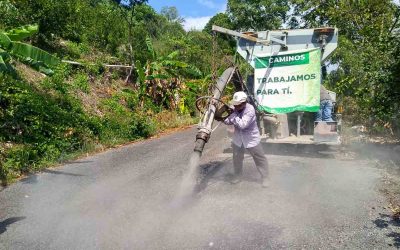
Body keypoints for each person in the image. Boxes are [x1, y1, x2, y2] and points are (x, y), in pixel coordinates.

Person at [221, 91, 270, 187]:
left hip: (251, 138)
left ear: (244, 103)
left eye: (238, 105)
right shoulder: (234, 108)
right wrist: (221, 118)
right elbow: (228, 121)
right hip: (238, 139)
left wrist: (233, 116)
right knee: (237, 158)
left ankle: (265, 177)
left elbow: (242, 124)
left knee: (259, 158)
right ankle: (238, 176)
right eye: (234, 104)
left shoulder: (250, 109)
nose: (235, 107)